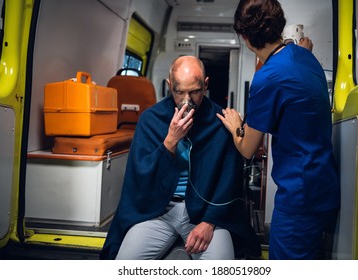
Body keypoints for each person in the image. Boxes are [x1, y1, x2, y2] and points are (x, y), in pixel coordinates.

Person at [100, 55, 261, 260]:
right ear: (169, 86)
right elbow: (140, 177)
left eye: (194, 92)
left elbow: (230, 180)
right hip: (158, 211)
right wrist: (170, 142)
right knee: (124, 262)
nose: (187, 100)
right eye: (179, 92)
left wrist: (209, 223)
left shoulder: (220, 121)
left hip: (205, 213)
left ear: (205, 85)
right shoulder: (151, 119)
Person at [217, 0, 340, 260]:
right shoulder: (305, 57)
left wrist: (235, 125)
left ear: (244, 37)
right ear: (279, 25)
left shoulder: (268, 77)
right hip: (324, 184)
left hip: (299, 198)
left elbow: (248, 148)